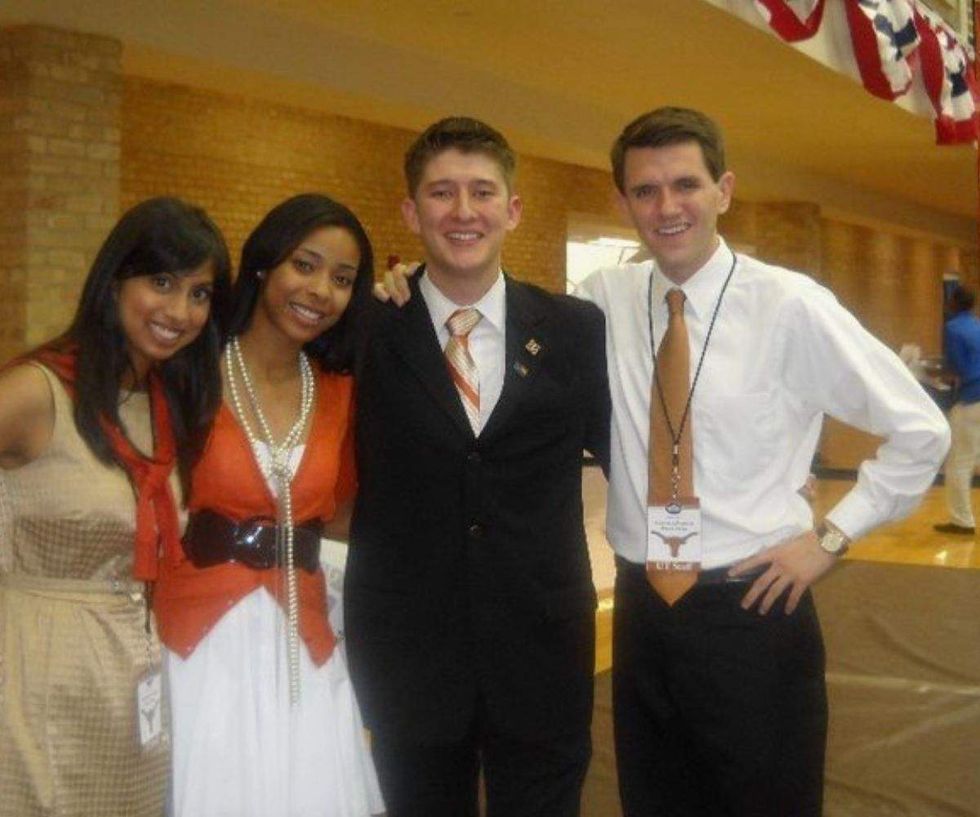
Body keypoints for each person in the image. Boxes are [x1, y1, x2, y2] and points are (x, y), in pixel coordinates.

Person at [575, 106, 950, 817]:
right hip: (644, 609)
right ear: (623, 203)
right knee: (653, 799)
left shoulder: (789, 305)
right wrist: (410, 293)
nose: (667, 206)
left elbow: (920, 431)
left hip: (752, 607)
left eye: (685, 184)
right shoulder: (603, 300)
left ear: (724, 189)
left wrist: (831, 538)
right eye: (645, 190)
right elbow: (499, 331)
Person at [345, 117, 610, 817]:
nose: (463, 212)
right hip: (409, 653)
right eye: (441, 193)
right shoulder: (366, 332)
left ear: (512, 209)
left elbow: (634, 457)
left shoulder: (577, 331)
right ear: (410, 211)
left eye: (482, 192)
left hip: (543, 647)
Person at [152, 194, 384, 817]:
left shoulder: (341, 394)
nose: (320, 291)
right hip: (196, 639)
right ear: (263, 266)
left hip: (299, 641)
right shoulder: (187, 373)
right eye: (304, 266)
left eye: (342, 279)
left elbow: (339, 518)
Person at [0, 197, 231, 817]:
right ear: (115, 280)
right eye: (161, 283)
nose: (179, 312)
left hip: (128, 676)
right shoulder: (38, 390)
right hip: (31, 675)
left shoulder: (163, 403)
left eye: (199, 294)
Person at [933, 284, 980, 535]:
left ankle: (962, 521)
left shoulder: (952, 327)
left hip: (973, 398)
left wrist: (937, 373)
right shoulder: (978, 325)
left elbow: (958, 367)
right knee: (974, 456)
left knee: (959, 463)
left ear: (952, 303)